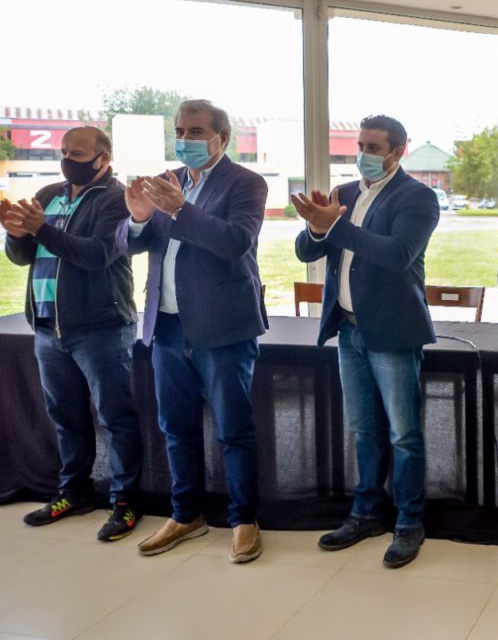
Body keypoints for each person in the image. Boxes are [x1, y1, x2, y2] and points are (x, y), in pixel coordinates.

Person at [116, 99, 268, 563]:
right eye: (180, 131)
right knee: (176, 428)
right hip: (166, 326)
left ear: (222, 138)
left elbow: (235, 242)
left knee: (233, 429)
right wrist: (138, 217)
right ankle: (186, 516)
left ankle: (244, 520)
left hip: (223, 327)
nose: (185, 139)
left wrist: (181, 210)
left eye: (197, 132)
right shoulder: (169, 181)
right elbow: (129, 244)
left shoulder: (246, 183)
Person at [292, 114, 440, 568]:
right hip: (349, 329)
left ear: (398, 151)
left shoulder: (418, 197)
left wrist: (335, 226)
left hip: (392, 332)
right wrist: (317, 226)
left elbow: (397, 255)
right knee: (363, 429)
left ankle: (409, 522)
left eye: (373, 148)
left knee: (403, 434)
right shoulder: (346, 194)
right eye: (360, 146)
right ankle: (366, 514)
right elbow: (306, 250)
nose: (363, 155)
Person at [1, 126, 143, 542]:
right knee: (66, 418)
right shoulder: (48, 195)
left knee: (115, 419)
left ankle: (125, 501)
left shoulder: (117, 200)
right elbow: (23, 256)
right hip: (48, 327)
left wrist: (41, 229)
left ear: (103, 158)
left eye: (76, 153)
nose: (67, 160)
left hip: (101, 328)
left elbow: (99, 255)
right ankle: (74, 493)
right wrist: (16, 234)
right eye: (63, 152)